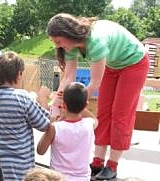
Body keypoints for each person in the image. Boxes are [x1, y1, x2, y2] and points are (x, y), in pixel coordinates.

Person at [46, 13, 149, 180]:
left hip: (134, 63)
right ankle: (97, 161)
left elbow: (94, 83)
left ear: (69, 34)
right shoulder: (69, 47)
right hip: (113, 65)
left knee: (121, 114)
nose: (58, 46)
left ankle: (112, 165)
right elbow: (68, 77)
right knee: (104, 111)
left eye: (58, 41)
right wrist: (57, 100)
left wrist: (74, 104)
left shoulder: (96, 41)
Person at [0, 51, 50, 180]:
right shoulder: (22, 98)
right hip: (18, 171)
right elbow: (45, 124)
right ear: (19, 74)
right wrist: (43, 100)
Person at [37, 82, 97, 180]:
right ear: (86, 104)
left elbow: (40, 150)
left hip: (58, 178)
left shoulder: (55, 128)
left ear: (64, 105)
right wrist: (81, 107)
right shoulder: (89, 124)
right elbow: (95, 119)